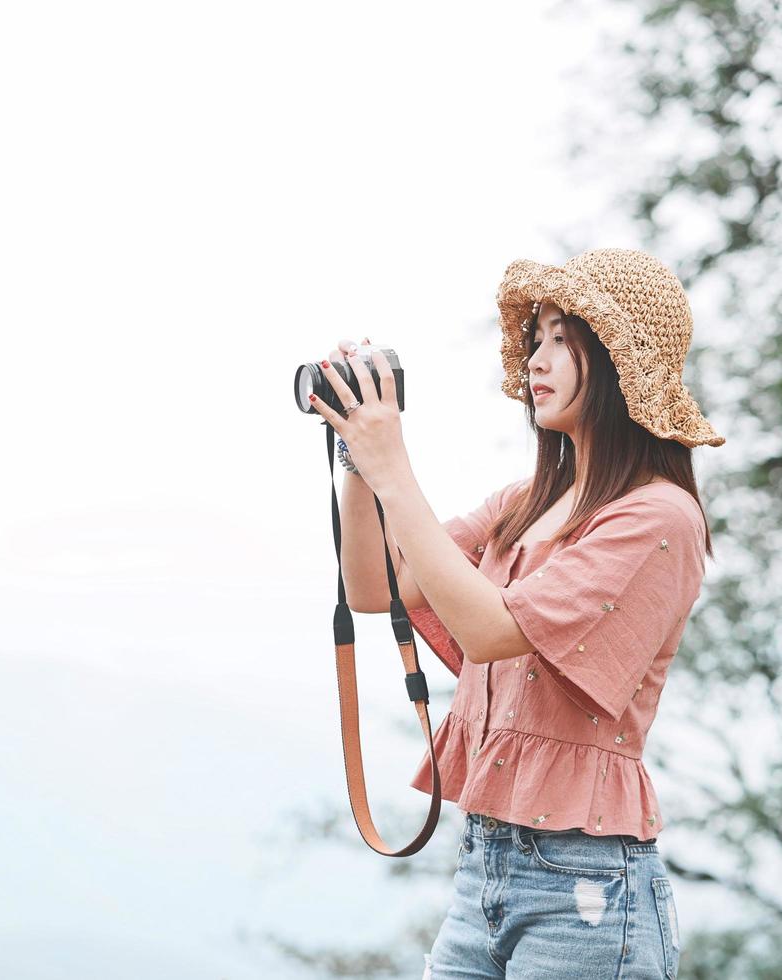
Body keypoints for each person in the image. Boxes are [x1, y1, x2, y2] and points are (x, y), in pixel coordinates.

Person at [308, 247, 724, 979]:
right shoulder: (523, 501)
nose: (539, 356)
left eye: (566, 338)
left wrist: (392, 464)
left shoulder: (660, 517)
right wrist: (357, 455)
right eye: (539, 337)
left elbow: (491, 628)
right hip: (483, 870)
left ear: (624, 361)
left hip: (587, 889)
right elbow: (377, 588)